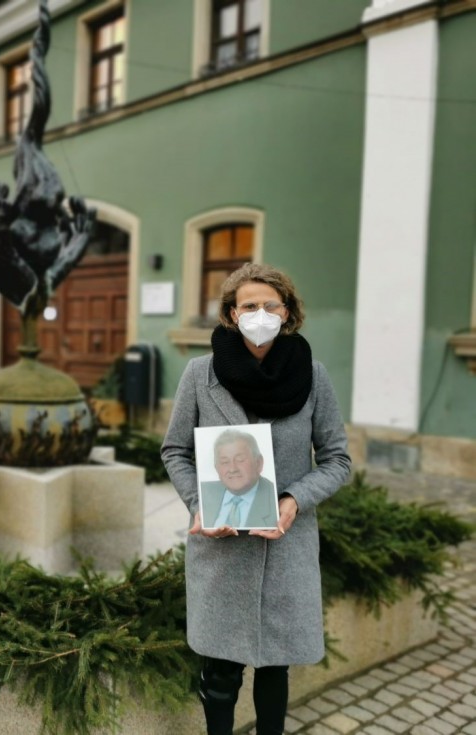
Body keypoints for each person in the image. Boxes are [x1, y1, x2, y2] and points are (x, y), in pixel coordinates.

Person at [161, 263, 351, 735]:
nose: (260, 313)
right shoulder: (200, 374)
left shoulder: (313, 376)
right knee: (221, 672)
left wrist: (293, 499)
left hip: (285, 543)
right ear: (231, 313)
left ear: (287, 313)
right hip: (221, 545)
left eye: (270, 305)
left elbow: (337, 459)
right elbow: (175, 449)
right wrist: (198, 502)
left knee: (275, 669)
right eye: (249, 305)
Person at [199, 429, 278, 529]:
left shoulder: (277, 498)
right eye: (224, 462)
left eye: (240, 460)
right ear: (216, 468)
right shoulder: (203, 493)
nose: (232, 469)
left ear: (258, 463)